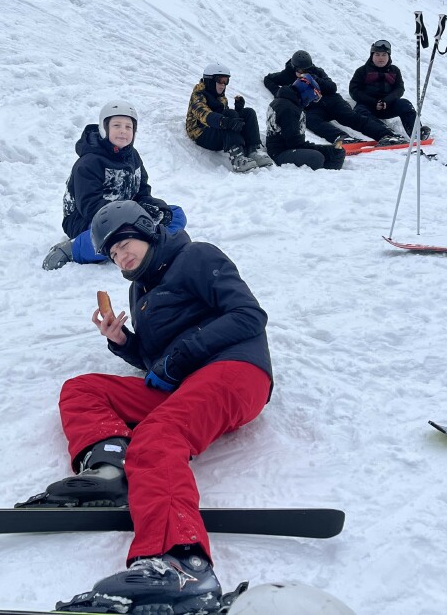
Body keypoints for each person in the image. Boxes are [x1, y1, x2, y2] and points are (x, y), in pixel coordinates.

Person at [21, 199, 272, 615]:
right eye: (113, 253)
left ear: (146, 231)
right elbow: (156, 360)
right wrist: (123, 343)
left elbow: (248, 315)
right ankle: (109, 470)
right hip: (184, 382)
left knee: (158, 437)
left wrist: (179, 358)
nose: (121, 256)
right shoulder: (140, 291)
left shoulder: (197, 257)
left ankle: (180, 565)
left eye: (124, 244)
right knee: (83, 389)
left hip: (234, 371)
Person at [43, 101, 187, 270]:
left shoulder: (133, 156)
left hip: (127, 215)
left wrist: (154, 208)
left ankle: (151, 241)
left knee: (175, 213)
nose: (123, 131)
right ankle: (73, 249)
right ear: (104, 128)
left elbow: (142, 192)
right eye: (116, 125)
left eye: (128, 127)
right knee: (114, 237)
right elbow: (90, 206)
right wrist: (129, 217)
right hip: (88, 220)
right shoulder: (89, 162)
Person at [263, 49, 382, 143]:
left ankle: (385, 134)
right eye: (301, 71)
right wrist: (280, 92)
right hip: (313, 108)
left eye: (307, 70)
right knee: (310, 120)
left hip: (332, 101)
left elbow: (332, 87)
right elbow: (268, 79)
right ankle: (342, 138)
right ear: (294, 68)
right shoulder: (287, 75)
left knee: (350, 116)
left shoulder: (316, 71)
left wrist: (315, 79)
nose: (304, 73)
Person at [185, 63, 272, 172]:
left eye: (226, 81)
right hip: (201, 134)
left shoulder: (220, 97)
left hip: (215, 129)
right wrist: (224, 121)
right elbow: (204, 114)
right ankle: (238, 158)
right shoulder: (198, 95)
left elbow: (225, 115)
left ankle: (252, 151)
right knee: (229, 116)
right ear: (210, 80)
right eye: (220, 80)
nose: (223, 85)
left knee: (248, 112)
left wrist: (238, 110)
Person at [348, 39, 428, 144]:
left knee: (405, 104)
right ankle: (387, 134)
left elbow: (399, 89)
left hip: (389, 105)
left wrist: (387, 101)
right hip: (368, 105)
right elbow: (354, 90)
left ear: (389, 56)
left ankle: (417, 132)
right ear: (372, 56)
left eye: (384, 55)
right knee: (359, 111)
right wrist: (373, 102)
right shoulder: (362, 71)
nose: (380, 58)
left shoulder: (395, 71)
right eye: (377, 54)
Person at [265, 73, 346, 170]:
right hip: (280, 152)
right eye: (312, 98)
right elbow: (295, 143)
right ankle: (325, 175)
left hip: (287, 149)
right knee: (317, 157)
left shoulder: (289, 103)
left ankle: (331, 173)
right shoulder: (288, 108)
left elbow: (296, 143)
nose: (310, 102)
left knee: (334, 153)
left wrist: (327, 150)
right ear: (307, 93)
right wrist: (324, 150)